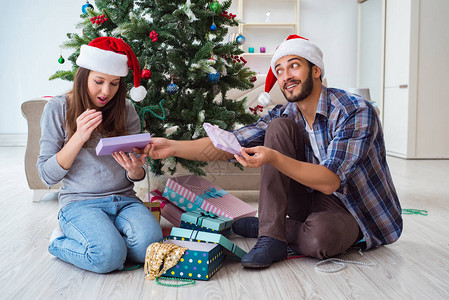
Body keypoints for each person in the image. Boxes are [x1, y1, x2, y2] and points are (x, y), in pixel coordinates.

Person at [137, 35, 403, 269]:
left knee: (319, 240)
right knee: (278, 128)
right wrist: (172, 146)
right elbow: (228, 144)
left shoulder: (355, 110)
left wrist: (274, 157)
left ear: (316, 71)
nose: (285, 76)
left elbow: (330, 180)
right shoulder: (284, 114)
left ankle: (272, 226)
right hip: (307, 199)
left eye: (294, 66)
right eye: (279, 70)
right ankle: (271, 235)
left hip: (352, 209)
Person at [38, 37, 162, 273]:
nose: (106, 91)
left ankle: (108, 239)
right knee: (107, 257)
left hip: (124, 200)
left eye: (115, 84)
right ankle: (58, 242)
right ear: (83, 75)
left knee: (149, 248)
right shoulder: (58, 108)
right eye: (99, 81)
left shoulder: (125, 108)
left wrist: (136, 171)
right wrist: (79, 136)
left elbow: (134, 173)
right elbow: (46, 176)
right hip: (80, 204)